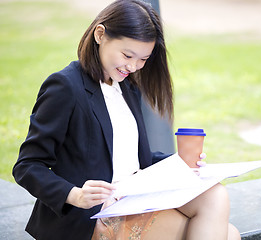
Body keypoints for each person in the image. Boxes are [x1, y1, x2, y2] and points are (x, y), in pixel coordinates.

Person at [12, 0, 241, 239]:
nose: (133, 66)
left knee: (216, 195)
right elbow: (27, 166)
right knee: (229, 234)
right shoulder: (66, 87)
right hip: (91, 214)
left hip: (133, 198)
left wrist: (182, 164)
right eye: (127, 55)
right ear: (100, 34)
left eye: (143, 59)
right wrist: (75, 194)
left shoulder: (127, 87)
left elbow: (131, 159)